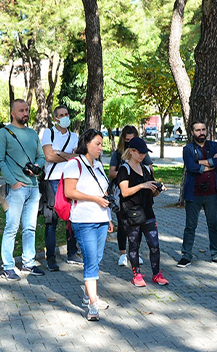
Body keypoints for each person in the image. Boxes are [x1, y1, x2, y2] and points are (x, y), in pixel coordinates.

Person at [62, 129, 115, 321]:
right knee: (91, 260)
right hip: (83, 220)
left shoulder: (99, 165)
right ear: (87, 144)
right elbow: (69, 192)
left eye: (102, 144)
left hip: (101, 218)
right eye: (97, 144)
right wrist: (94, 199)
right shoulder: (73, 164)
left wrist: (108, 218)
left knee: (97, 258)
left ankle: (87, 295)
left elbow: (104, 193)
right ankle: (93, 304)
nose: (101, 147)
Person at [0, 99, 47, 280]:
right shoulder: (4, 133)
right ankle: (8, 266)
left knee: (30, 228)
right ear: (13, 113)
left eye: (27, 110)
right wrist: (14, 182)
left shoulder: (32, 133)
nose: (25, 113)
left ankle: (28, 263)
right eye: (21, 110)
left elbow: (41, 155)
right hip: (16, 189)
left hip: (33, 187)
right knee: (12, 227)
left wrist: (38, 166)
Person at [117, 137, 168, 287]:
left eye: (145, 153)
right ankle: (137, 275)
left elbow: (151, 192)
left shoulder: (146, 169)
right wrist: (142, 185)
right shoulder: (124, 169)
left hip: (148, 212)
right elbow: (124, 192)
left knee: (154, 244)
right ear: (131, 151)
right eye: (140, 153)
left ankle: (156, 274)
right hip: (132, 214)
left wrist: (158, 189)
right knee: (134, 245)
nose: (143, 156)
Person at [177, 120, 217, 268]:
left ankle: (216, 254)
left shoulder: (215, 146)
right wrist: (209, 163)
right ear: (192, 132)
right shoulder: (187, 149)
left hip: (212, 193)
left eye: (203, 129)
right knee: (190, 227)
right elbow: (191, 167)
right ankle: (186, 256)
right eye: (198, 130)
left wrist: (200, 161)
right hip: (194, 194)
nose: (201, 133)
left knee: (213, 225)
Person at [40, 105, 80, 271]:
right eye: (61, 115)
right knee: (52, 220)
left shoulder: (74, 136)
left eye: (66, 114)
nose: (65, 117)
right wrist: (68, 156)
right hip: (53, 181)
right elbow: (48, 156)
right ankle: (51, 258)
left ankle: (72, 253)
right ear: (55, 118)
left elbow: (78, 157)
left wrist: (60, 154)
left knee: (73, 218)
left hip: (71, 179)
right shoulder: (48, 133)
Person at [109, 125, 153, 268]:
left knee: (138, 223)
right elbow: (111, 173)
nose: (130, 143)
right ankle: (123, 253)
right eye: (127, 140)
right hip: (122, 192)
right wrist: (126, 174)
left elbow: (150, 168)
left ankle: (135, 252)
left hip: (139, 196)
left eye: (132, 140)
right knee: (122, 224)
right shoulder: (118, 154)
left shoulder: (141, 153)